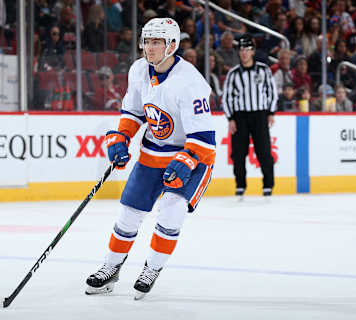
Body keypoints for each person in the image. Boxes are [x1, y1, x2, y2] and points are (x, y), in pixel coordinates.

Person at [85, 17, 216, 300]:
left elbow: (204, 139)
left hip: (192, 157)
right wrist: (121, 138)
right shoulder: (139, 70)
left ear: (172, 45)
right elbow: (133, 113)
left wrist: (185, 161)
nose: (149, 47)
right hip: (153, 152)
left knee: (171, 209)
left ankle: (152, 268)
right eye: (146, 41)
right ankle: (112, 267)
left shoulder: (190, 82)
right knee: (128, 213)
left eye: (156, 42)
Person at [221, 34, 278, 198]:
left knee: (264, 151)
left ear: (253, 51)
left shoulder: (263, 70)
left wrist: (270, 112)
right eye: (242, 50)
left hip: (260, 115)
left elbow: (271, 92)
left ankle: (268, 185)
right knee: (238, 152)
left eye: (247, 49)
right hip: (240, 117)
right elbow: (227, 97)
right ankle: (240, 185)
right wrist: (230, 118)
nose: (244, 53)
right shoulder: (233, 74)